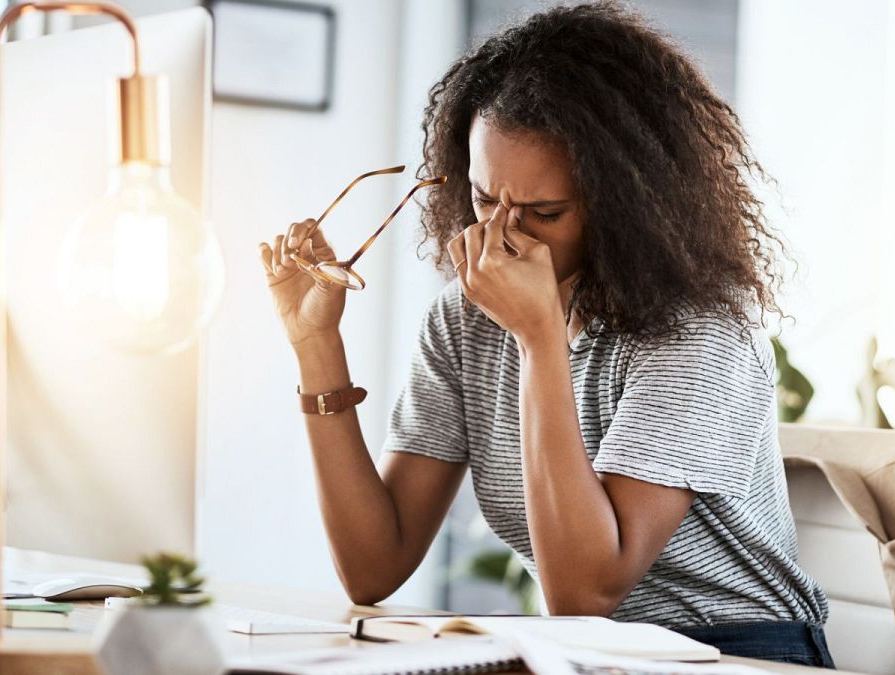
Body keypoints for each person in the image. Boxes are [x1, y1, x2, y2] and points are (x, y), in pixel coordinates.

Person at [257, 2, 833, 667]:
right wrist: (316, 344)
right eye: (480, 199)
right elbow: (373, 566)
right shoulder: (464, 321)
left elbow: (586, 589)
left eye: (545, 212)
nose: (500, 236)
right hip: (586, 653)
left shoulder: (701, 333)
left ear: (625, 203)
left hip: (741, 652)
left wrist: (539, 339)